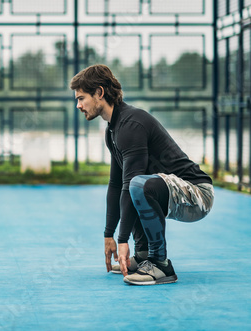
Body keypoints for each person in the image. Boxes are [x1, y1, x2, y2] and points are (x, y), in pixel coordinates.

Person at [70, 65, 214, 285]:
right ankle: (145, 256)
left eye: (81, 98)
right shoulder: (113, 130)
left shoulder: (131, 123)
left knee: (137, 185)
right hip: (170, 190)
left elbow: (130, 184)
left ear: (99, 93)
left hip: (198, 194)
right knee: (133, 185)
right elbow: (116, 184)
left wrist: (122, 240)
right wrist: (108, 235)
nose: (78, 105)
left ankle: (161, 264)